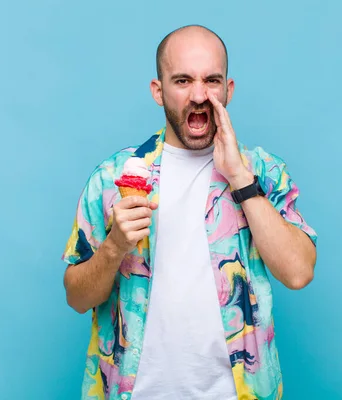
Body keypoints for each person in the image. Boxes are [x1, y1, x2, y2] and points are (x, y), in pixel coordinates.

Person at [61, 24, 318, 400]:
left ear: (228, 90)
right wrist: (115, 246)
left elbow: (298, 272)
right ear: (158, 90)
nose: (199, 95)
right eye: (182, 80)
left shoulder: (262, 172)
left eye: (211, 80)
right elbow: (76, 297)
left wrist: (240, 179)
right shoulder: (112, 178)